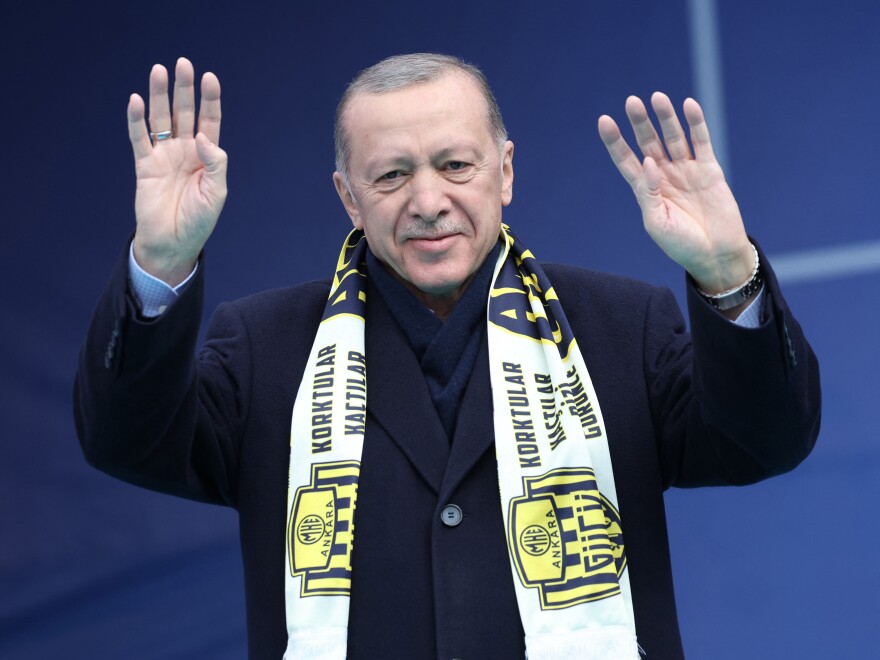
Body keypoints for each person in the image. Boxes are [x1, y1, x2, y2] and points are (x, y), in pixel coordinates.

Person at [74, 53, 820, 659]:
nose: (427, 200)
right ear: (348, 198)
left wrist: (728, 277)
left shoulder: (621, 327)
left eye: (455, 165)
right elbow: (127, 440)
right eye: (391, 175)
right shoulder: (266, 348)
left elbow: (764, 441)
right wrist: (162, 263)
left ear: (506, 171)